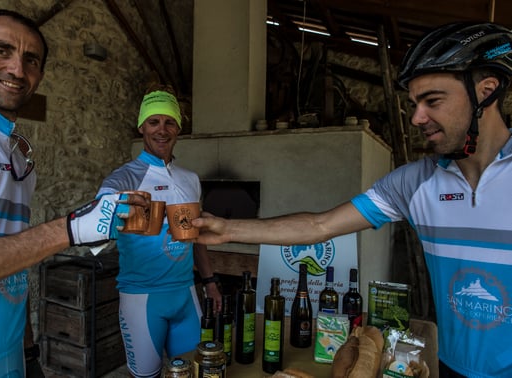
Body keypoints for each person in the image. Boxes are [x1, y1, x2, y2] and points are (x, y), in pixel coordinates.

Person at [193, 22, 512, 378]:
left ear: (487, 91)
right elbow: (320, 225)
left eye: (433, 101)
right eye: (414, 104)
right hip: (448, 367)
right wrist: (227, 229)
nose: (417, 118)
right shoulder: (415, 182)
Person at [0, 9, 146, 378]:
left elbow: (11, 262)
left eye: (30, 59)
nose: (17, 70)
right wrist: (69, 229)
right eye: (1, 51)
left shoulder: (16, 152)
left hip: (9, 353)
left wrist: (29, 349)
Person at [96, 86, 221, 377]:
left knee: (193, 372)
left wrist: (210, 282)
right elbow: (96, 228)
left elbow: (196, 236)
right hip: (142, 299)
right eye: (154, 122)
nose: (162, 130)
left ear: (179, 128)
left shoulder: (190, 179)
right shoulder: (122, 179)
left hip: (186, 295)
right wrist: (114, 210)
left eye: (170, 122)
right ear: (142, 127)